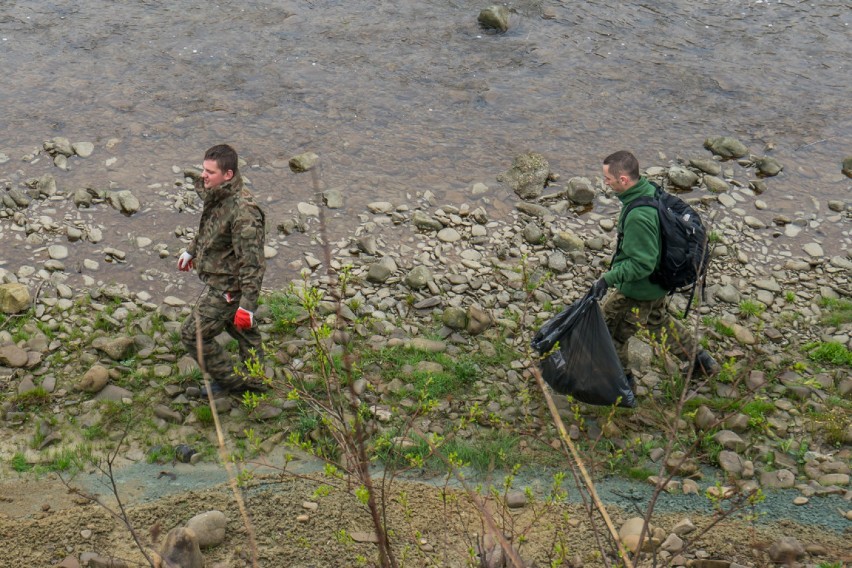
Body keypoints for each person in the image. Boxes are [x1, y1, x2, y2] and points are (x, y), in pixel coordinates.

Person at [591, 150, 719, 379]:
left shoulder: (638, 216)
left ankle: (622, 387)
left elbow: (642, 264)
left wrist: (607, 279)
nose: (605, 183)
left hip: (640, 289)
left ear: (623, 180)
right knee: (657, 321)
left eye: (608, 179)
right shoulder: (649, 191)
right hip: (659, 282)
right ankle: (701, 363)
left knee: (609, 333)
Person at [177, 144, 269, 396]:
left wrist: (247, 305)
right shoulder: (218, 194)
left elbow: (253, 263)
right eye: (203, 169)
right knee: (244, 334)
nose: (203, 176)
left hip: (228, 288)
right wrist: (192, 250)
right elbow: (212, 229)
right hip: (224, 280)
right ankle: (257, 380)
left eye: (209, 171)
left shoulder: (244, 213)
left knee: (192, 335)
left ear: (228, 174)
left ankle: (231, 384)